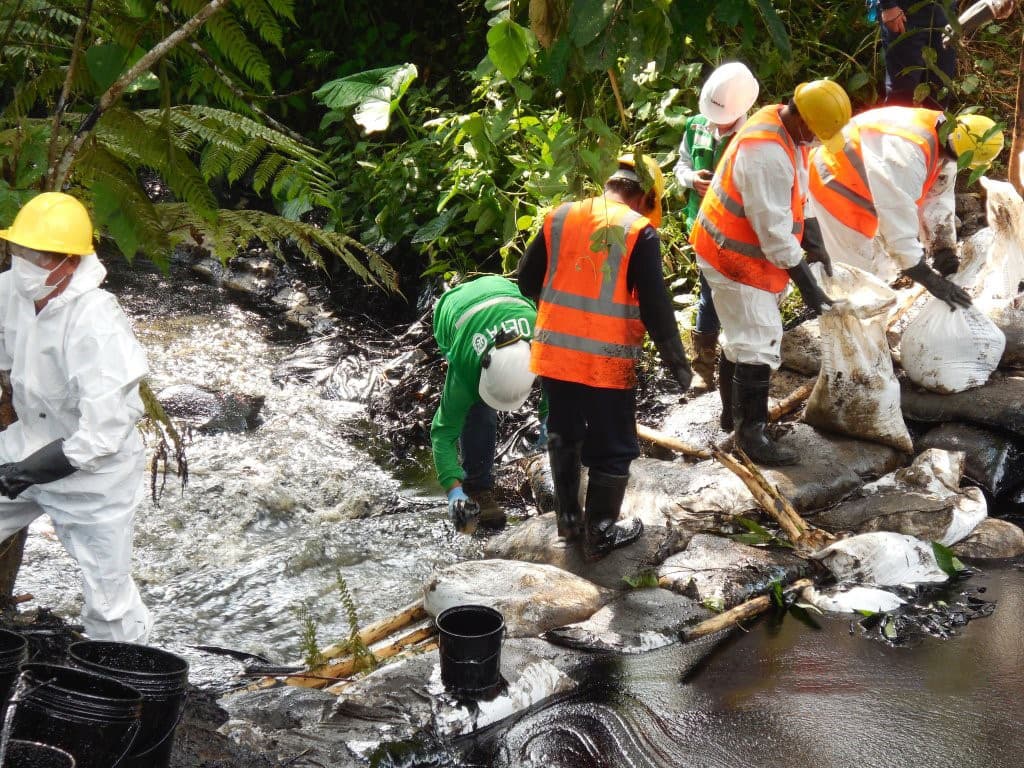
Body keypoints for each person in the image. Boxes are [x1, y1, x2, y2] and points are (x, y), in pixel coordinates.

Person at [518, 154, 693, 561]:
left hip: (556, 354)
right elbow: (655, 305)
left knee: (563, 430)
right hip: (607, 359)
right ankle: (600, 530)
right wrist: (680, 366)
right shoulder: (639, 231)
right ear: (646, 196)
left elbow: (527, 279)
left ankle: (568, 523)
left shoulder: (560, 217)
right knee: (613, 443)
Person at [0, 192, 152, 642]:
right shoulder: (14, 289)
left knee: (108, 602)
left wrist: (28, 473)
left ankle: (126, 681)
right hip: (27, 439)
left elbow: (103, 432)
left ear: (69, 262)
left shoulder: (97, 322)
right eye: (19, 251)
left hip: (94, 474)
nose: (23, 263)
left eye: (36, 257)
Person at [689, 80, 852, 467]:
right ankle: (750, 436)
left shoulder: (786, 131)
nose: (815, 140)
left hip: (742, 251)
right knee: (760, 340)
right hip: (732, 256)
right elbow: (775, 235)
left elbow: (799, 195)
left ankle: (733, 417)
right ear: (802, 118)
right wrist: (811, 292)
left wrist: (816, 243)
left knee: (744, 337)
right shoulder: (765, 154)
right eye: (814, 132)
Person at [808, 108, 1004, 304]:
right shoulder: (906, 159)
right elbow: (897, 231)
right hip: (835, 181)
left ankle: (874, 312)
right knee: (856, 279)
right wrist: (930, 279)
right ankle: (846, 324)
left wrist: (944, 253)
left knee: (882, 267)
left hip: (871, 179)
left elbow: (938, 200)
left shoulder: (947, 138)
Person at [674, 62, 760, 390]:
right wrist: (690, 178)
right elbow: (681, 162)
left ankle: (742, 363)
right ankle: (703, 367)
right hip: (703, 229)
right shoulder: (696, 126)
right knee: (708, 296)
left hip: (737, 234)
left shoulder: (751, 137)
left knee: (740, 297)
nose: (715, 124)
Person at [431, 274, 540, 533]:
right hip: (455, 310)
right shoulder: (467, 367)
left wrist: (551, 422)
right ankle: (477, 487)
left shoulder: (542, 341)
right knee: (478, 411)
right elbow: (443, 433)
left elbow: (558, 390)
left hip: (506, 292)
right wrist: (454, 492)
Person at [876, 1, 956, 108]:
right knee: (903, 88)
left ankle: (936, 123)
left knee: (941, 84)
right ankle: (899, 124)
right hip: (904, 13)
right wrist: (888, 6)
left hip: (944, 11)